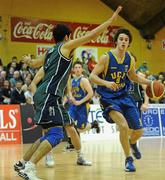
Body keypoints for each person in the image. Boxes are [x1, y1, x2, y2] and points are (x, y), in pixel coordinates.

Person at [14, 6, 122, 180]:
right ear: (66, 37)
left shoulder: (49, 51)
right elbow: (92, 35)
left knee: (57, 130)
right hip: (50, 94)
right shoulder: (66, 47)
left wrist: (27, 60)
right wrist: (110, 21)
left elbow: (34, 64)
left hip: (47, 94)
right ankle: (30, 168)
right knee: (56, 135)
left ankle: (23, 163)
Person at [90, 28, 152, 172]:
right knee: (123, 126)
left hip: (124, 97)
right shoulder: (106, 57)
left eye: (126, 40)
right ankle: (128, 159)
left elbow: (134, 77)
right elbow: (92, 76)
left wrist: (150, 83)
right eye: (121, 39)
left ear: (128, 43)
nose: (123, 42)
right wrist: (106, 83)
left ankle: (131, 142)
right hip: (108, 98)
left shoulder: (129, 58)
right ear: (116, 41)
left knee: (140, 130)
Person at [68, 61, 100, 134]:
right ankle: (71, 144)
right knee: (68, 124)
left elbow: (91, 93)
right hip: (73, 105)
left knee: (80, 128)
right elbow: (70, 92)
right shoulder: (72, 80)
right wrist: (68, 98)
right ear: (73, 69)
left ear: (82, 69)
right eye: (76, 68)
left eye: (79, 67)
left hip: (83, 106)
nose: (77, 69)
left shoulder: (84, 80)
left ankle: (93, 124)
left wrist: (80, 102)